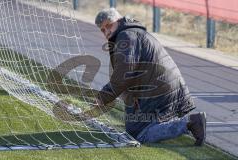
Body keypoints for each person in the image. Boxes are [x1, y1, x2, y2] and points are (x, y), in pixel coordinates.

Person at [82, 8, 206, 146]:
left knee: (138, 134)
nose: (107, 32)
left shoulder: (126, 36)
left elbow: (124, 74)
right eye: (103, 30)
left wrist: (103, 97)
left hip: (162, 91)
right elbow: (132, 72)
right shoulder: (129, 33)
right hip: (164, 88)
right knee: (133, 125)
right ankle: (172, 122)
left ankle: (190, 123)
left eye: (109, 25)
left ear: (119, 20)